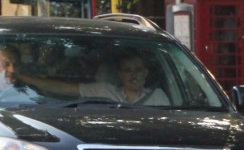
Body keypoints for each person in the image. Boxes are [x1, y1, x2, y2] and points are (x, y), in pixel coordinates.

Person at [17, 49, 172, 107]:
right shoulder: (104, 91)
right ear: (119, 74)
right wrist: (22, 77)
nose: (134, 74)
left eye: (138, 70)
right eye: (128, 70)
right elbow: (62, 88)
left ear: (145, 73)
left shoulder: (158, 96)